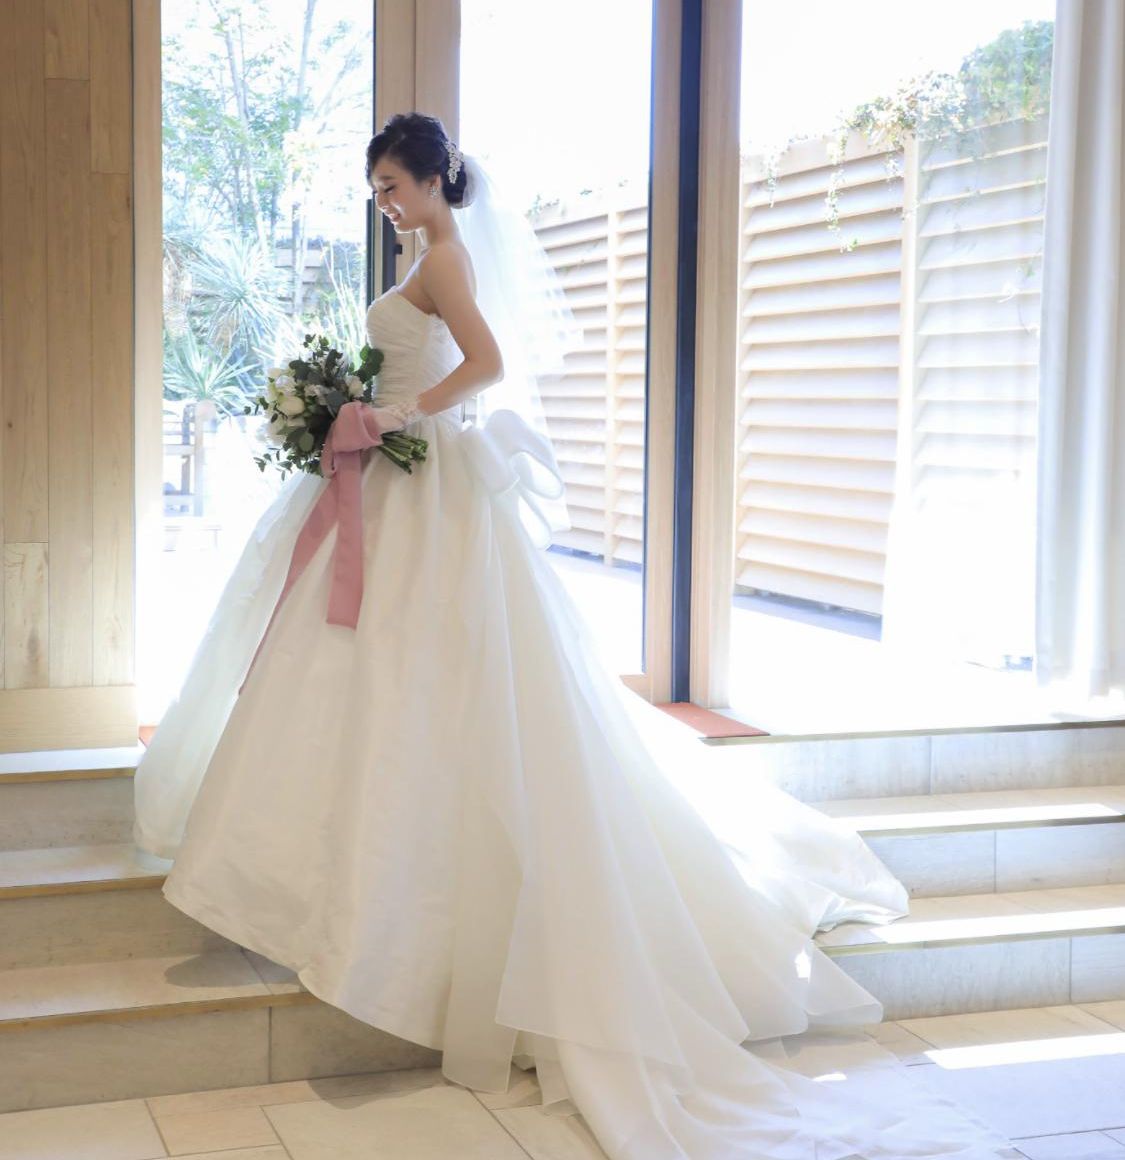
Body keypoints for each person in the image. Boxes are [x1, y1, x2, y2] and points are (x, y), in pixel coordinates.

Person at [134, 113, 1020, 1159]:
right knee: (364, 669)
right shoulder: (426, 255)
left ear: (433, 178)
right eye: (375, 190)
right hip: (404, 475)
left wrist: (399, 415)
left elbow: (488, 363)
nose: (384, 203)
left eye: (392, 185)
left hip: (427, 477)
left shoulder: (445, 257)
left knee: (426, 672)